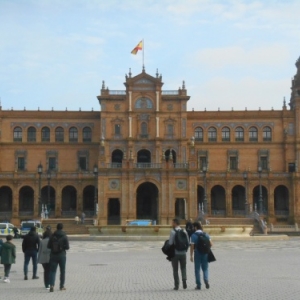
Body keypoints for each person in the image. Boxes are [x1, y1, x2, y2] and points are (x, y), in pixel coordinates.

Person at [190, 221, 212, 290]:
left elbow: (192, 246)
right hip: (205, 253)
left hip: (197, 253)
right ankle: (206, 279)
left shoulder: (193, 236)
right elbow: (211, 244)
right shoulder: (206, 234)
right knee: (205, 268)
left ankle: (198, 285)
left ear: (196, 227)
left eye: (193, 227)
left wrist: (191, 255)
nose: (193, 228)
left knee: (197, 270)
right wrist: (206, 249)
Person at [48, 223, 70, 292]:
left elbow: (48, 246)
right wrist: (62, 247)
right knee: (62, 271)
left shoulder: (52, 236)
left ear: (56, 228)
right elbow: (67, 247)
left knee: (52, 271)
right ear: (62, 228)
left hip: (53, 255)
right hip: (62, 255)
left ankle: (51, 285)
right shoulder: (64, 236)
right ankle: (61, 286)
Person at [168, 218, 189, 290]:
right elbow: (188, 242)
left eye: (172, 222)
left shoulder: (173, 232)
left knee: (175, 269)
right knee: (183, 268)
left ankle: (176, 285)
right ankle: (184, 281)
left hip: (175, 253)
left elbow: (170, 243)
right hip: (183, 253)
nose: (171, 224)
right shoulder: (184, 230)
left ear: (175, 223)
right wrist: (185, 250)